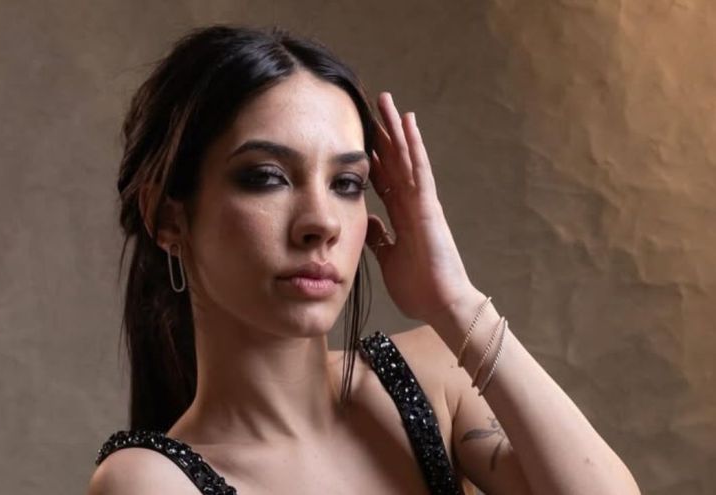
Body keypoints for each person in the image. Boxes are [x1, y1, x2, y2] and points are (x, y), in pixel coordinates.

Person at [87, 24, 640, 494]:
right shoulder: (150, 481)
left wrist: (454, 303)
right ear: (167, 218)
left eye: (347, 183)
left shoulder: (431, 381)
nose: (321, 222)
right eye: (267, 177)